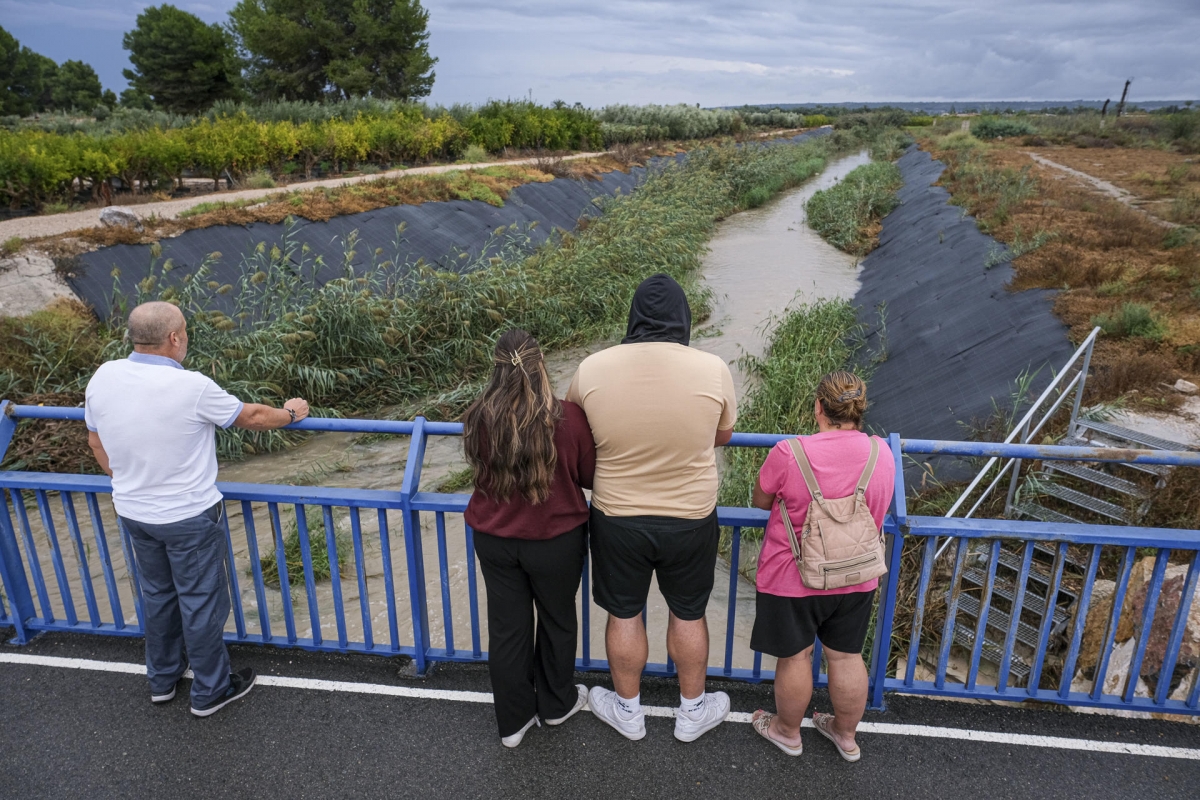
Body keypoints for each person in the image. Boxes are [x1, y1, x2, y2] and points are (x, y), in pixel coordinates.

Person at [85, 301, 310, 717]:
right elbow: (254, 417)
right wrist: (292, 413)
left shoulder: (104, 376)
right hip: (188, 516)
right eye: (184, 330)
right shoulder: (191, 386)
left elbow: (96, 442)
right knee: (201, 601)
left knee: (157, 595)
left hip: (134, 512)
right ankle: (211, 691)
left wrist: (127, 483)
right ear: (174, 337)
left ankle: (163, 680)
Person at [566, 273, 737, 743]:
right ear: (682, 318)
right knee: (688, 612)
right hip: (691, 516)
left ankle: (627, 711)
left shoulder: (592, 368)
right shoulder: (712, 368)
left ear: (633, 316)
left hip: (617, 516)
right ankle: (692, 712)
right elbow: (722, 434)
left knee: (624, 613)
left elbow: (577, 430)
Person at [749, 371, 894, 761]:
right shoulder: (883, 453)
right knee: (846, 656)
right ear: (860, 410)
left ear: (819, 408)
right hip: (857, 575)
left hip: (794, 577)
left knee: (796, 657)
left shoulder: (789, 452)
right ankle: (845, 736)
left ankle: (786, 731)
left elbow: (761, 500)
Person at [463, 329, 596, 748]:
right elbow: (589, 476)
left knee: (507, 629)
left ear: (497, 367)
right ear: (541, 365)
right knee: (557, 621)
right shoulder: (567, 417)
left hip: (494, 538)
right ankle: (557, 706)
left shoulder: (477, 416)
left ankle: (513, 723)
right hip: (555, 538)